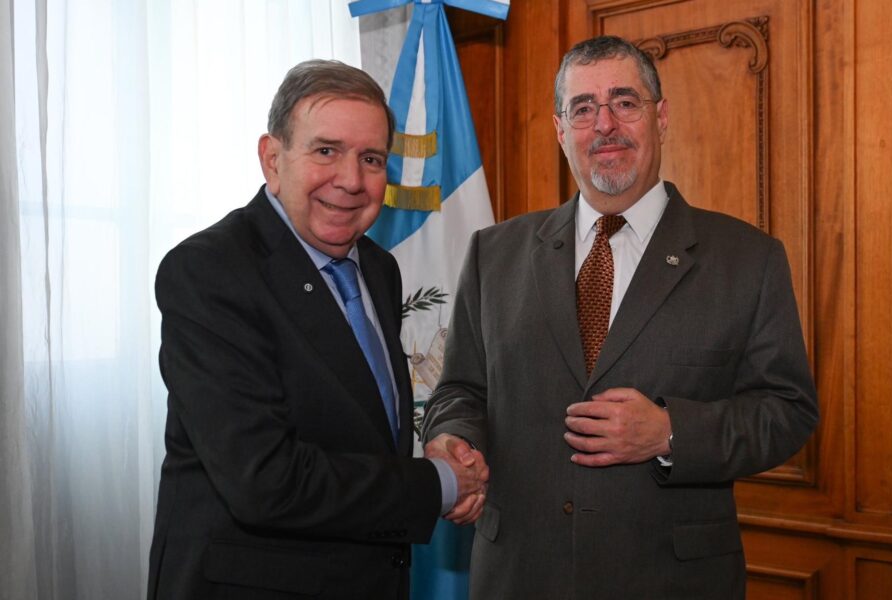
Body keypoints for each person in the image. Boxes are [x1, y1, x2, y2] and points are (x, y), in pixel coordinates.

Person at [422, 36, 819, 599]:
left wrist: (670, 431)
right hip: (519, 576)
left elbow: (788, 413)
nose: (604, 124)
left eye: (624, 102)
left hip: (671, 580)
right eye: (583, 108)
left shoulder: (747, 259)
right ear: (561, 131)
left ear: (660, 118)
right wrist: (452, 440)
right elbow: (459, 389)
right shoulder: (494, 254)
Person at [147, 59, 488, 600]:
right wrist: (440, 484)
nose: (351, 181)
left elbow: (361, 432)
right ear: (272, 159)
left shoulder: (378, 267)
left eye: (371, 159)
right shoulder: (208, 272)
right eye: (326, 150)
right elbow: (265, 481)